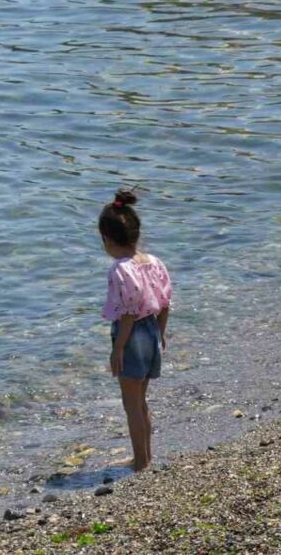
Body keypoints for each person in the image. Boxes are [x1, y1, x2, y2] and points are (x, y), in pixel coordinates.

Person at [99, 189, 172, 472]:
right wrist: (160, 334)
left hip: (131, 335)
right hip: (151, 330)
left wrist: (118, 348)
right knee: (141, 401)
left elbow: (128, 313)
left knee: (131, 404)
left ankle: (140, 461)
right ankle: (146, 455)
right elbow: (165, 303)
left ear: (106, 239)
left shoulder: (120, 269)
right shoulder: (154, 262)